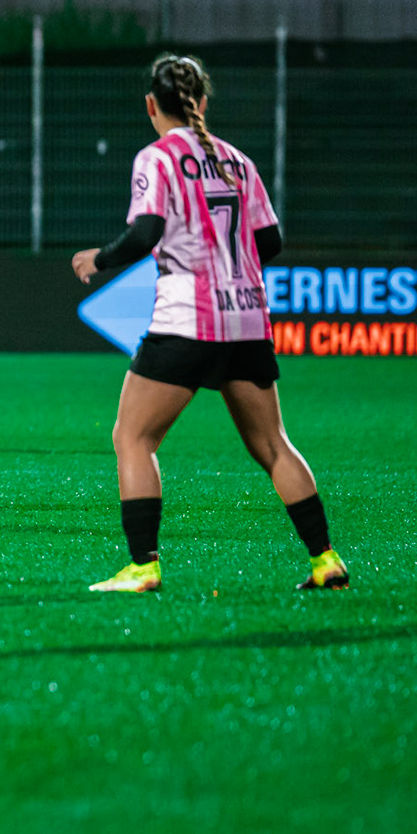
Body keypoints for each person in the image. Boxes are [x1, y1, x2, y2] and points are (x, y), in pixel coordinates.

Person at [74, 54, 347, 594]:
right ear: (202, 101)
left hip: (187, 320)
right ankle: (325, 560)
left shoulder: (157, 158)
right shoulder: (238, 161)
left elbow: (147, 230)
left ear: (152, 105)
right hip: (247, 318)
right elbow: (269, 242)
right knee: (274, 445)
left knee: (133, 437)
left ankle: (143, 567)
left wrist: (97, 259)